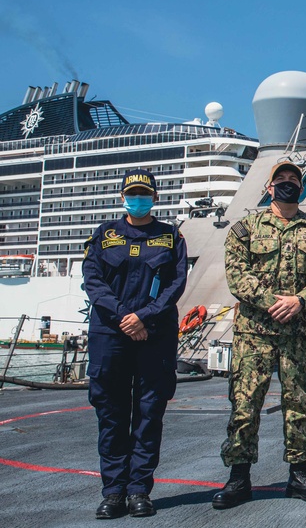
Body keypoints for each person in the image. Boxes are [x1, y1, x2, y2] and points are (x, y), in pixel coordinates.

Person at [212, 161, 306, 509]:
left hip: (298, 333)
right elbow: (237, 275)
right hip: (255, 334)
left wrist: (300, 300)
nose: (287, 184)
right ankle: (239, 478)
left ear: (302, 186)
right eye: (280, 180)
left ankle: (299, 474)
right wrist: (272, 303)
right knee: (244, 405)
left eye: (293, 180)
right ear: (269, 187)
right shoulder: (244, 229)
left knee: (300, 405)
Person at [83, 169, 188, 519]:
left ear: (154, 197)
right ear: (123, 196)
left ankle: (139, 489)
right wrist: (126, 317)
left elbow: (176, 284)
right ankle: (113, 491)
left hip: (154, 335)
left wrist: (145, 317)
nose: (138, 198)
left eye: (144, 193)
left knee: (148, 414)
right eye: (132, 193)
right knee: (111, 413)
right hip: (110, 335)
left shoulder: (170, 236)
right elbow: (94, 282)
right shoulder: (104, 235)